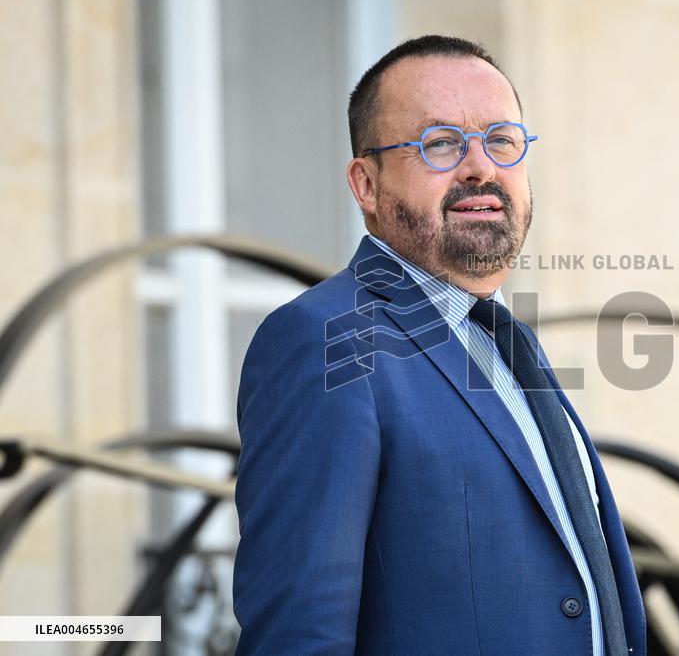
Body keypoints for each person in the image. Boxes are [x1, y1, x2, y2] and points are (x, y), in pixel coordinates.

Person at [232, 34, 646, 655]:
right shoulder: (323, 339)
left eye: (502, 140)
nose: (481, 166)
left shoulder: (509, 341)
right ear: (366, 185)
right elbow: (298, 636)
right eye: (441, 143)